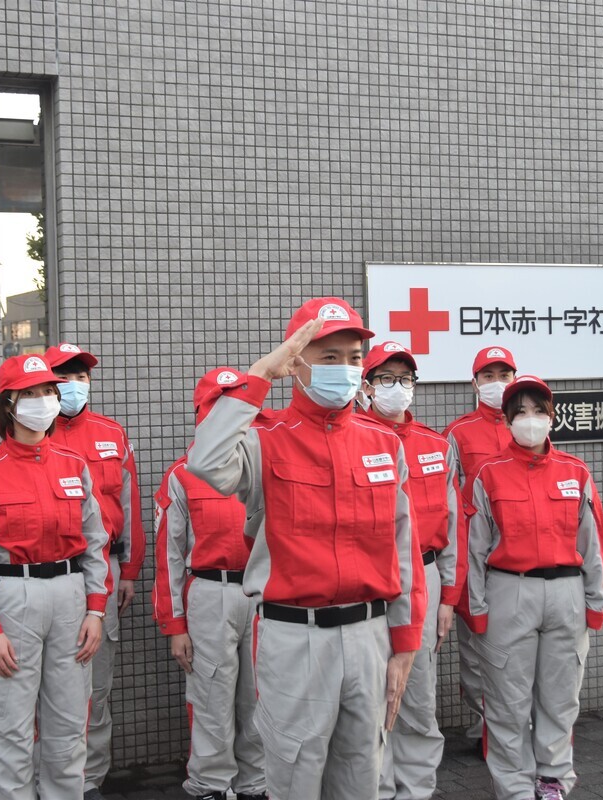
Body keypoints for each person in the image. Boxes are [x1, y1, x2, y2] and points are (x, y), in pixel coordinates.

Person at [186, 296, 426, 800]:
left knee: (363, 777)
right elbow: (206, 464)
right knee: (294, 778)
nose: (345, 369)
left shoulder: (383, 444)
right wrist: (260, 374)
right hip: (295, 639)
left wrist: (404, 643)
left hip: (369, 635)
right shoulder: (265, 438)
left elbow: (403, 549)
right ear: (297, 363)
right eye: (329, 357)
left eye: (354, 357)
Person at [0, 354, 111, 799]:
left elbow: (96, 542)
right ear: (8, 404)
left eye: (48, 392)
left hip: (70, 597)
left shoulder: (73, 465)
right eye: (30, 394)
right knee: (11, 729)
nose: (42, 402)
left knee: (67, 725)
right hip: (12, 599)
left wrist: (96, 610)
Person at [465, 375, 603, 800]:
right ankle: (513, 787)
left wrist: (596, 602)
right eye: (521, 413)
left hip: (566, 595)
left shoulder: (575, 471)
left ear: (552, 417)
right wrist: (475, 609)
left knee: (560, 698)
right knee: (507, 702)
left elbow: (594, 541)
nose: (530, 420)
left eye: (539, 411)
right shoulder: (489, 475)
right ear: (508, 420)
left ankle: (552, 780)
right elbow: (475, 548)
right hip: (509, 592)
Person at [152, 368, 266, 800]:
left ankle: (256, 782)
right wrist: (174, 625)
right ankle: (210, 785)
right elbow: (169, 559)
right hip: (210, 595)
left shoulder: (265, 467)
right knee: (211, 695)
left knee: (260, 694)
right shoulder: (182, 475)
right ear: (201, 414)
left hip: (261, 595)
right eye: (215, 405)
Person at [358, 341, 462, 800]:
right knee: (373, 692)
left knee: (418, 693)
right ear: (366, 386)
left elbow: (454, 525)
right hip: (370, 582)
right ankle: (378, 788)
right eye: (385, 379)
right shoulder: (353, 439)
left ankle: (417, 789)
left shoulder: (436, 446)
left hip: (426, 577)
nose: (396, 388)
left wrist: (449, 598)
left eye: (404, 379)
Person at [42, 342, 145, 794]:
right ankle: (48, 782)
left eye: (81, 376)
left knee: (95, 689)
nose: (74, 384)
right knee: (45, 692)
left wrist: (131, 569)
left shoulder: (112, 433)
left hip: (104, 575)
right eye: (63, 376)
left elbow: (130, 504)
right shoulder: (30, 435)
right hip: (47, 577)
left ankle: (87, 782)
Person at [442, 345, 518, 750]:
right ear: (474, 383)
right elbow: (445, 495)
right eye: (488, 376)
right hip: (473, 555)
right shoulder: (457, 432)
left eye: (504, 375)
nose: (497, 383)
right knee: (473, 652)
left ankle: (507, 732)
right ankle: (483, 725)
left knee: (512, 648)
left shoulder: (526, 426)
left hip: (518, 556)